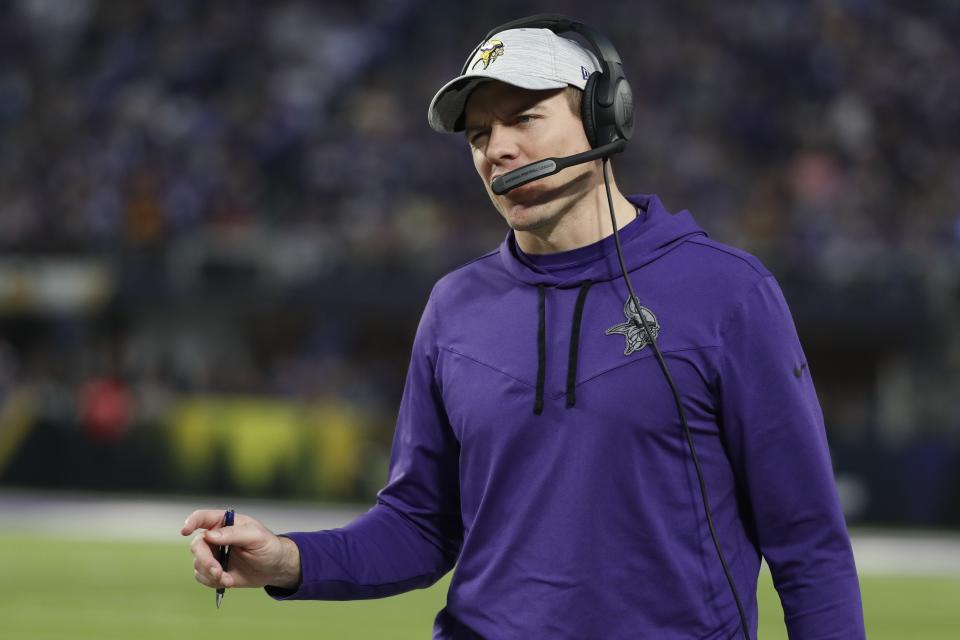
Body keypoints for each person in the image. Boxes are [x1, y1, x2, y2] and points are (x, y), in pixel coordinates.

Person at [183, 18, 866, 639]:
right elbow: (421, 526)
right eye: (479, 134)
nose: (497, 150)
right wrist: (288, 560)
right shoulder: (454, 307)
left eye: (525, 119)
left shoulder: (729, 294)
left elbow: (809, 547)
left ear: (606, 117)